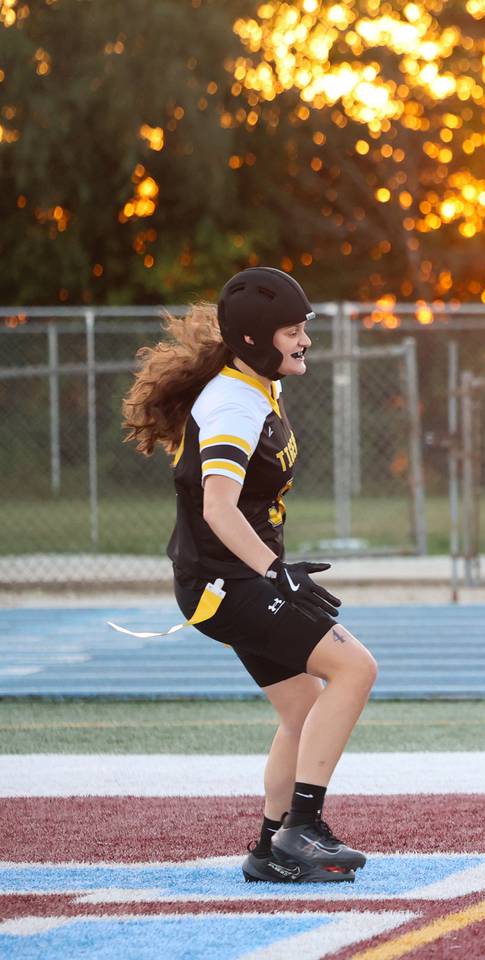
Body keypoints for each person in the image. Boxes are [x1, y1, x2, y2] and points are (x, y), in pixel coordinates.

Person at [122, 267, 377, 883]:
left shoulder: (255, 384)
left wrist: (268, 570)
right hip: (225, 584)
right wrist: (275, 571)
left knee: (302, 708)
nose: (304, 340)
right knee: (355, 669)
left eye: (302, 328)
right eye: (291, 331)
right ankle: (302, 829)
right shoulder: (234, 402)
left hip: (232, 578)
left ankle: (269, 850)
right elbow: (218, 507)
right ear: (256, 341)